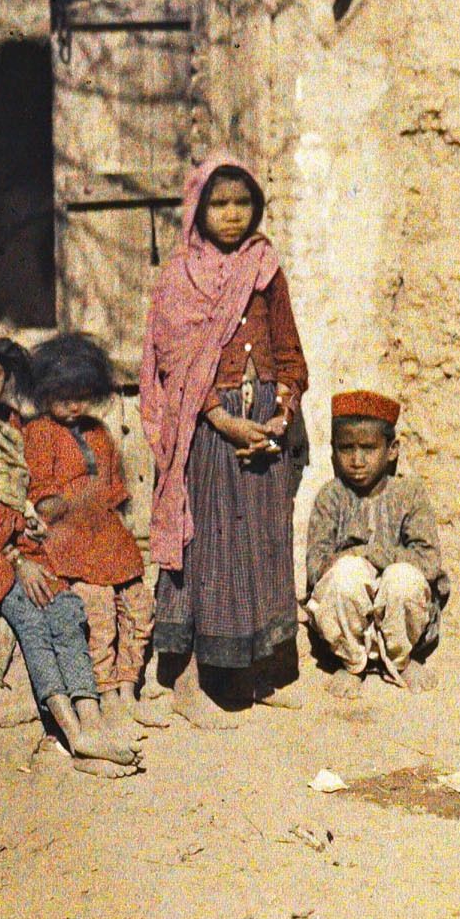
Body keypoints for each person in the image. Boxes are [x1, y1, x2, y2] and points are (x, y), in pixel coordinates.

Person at [140, 153, 309, 728]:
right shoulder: (180, 276)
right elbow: (175, 363)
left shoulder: (265, 267)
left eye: (242, 203)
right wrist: (223, 419)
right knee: (205, 550)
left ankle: (256, 675)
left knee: (260, 547)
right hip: (210, 431)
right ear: (198, 209)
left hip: (265, 423)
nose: (232, 215)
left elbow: (288, 348)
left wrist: (281, 416)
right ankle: (186, 680)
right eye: (219, 203)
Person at [0, 338, 139, 778]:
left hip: (27, 544)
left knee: (67, 610)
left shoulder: (12, 421)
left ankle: (93, 724)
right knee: (34, 619)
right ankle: (75, 737)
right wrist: (20, 557)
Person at [25, 331, 160, 748]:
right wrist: (66, 499)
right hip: (68, 538)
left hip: (105, 533)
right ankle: (103, 693)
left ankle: (126, 687)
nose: (73, 406)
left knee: (138, 602)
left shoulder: (98, 431)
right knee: (97, 608)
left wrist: (106, 506)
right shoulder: (40, 433)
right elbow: (39, 496)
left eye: (81, 395)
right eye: (63, 396)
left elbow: (115, 487)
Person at [304, 391, 449, 696]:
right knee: (347, 575)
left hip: (398, 615)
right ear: (334, 451)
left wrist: (368, 553)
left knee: (403, 579)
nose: (357, 461)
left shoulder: (409, 494)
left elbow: (429, 562)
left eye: (368, 448)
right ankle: (352, 662)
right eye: (347, 449)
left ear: (392, 450)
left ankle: (401, 659)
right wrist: (355, 562)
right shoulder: (331, 498)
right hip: (349, 618)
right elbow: (317, 569)